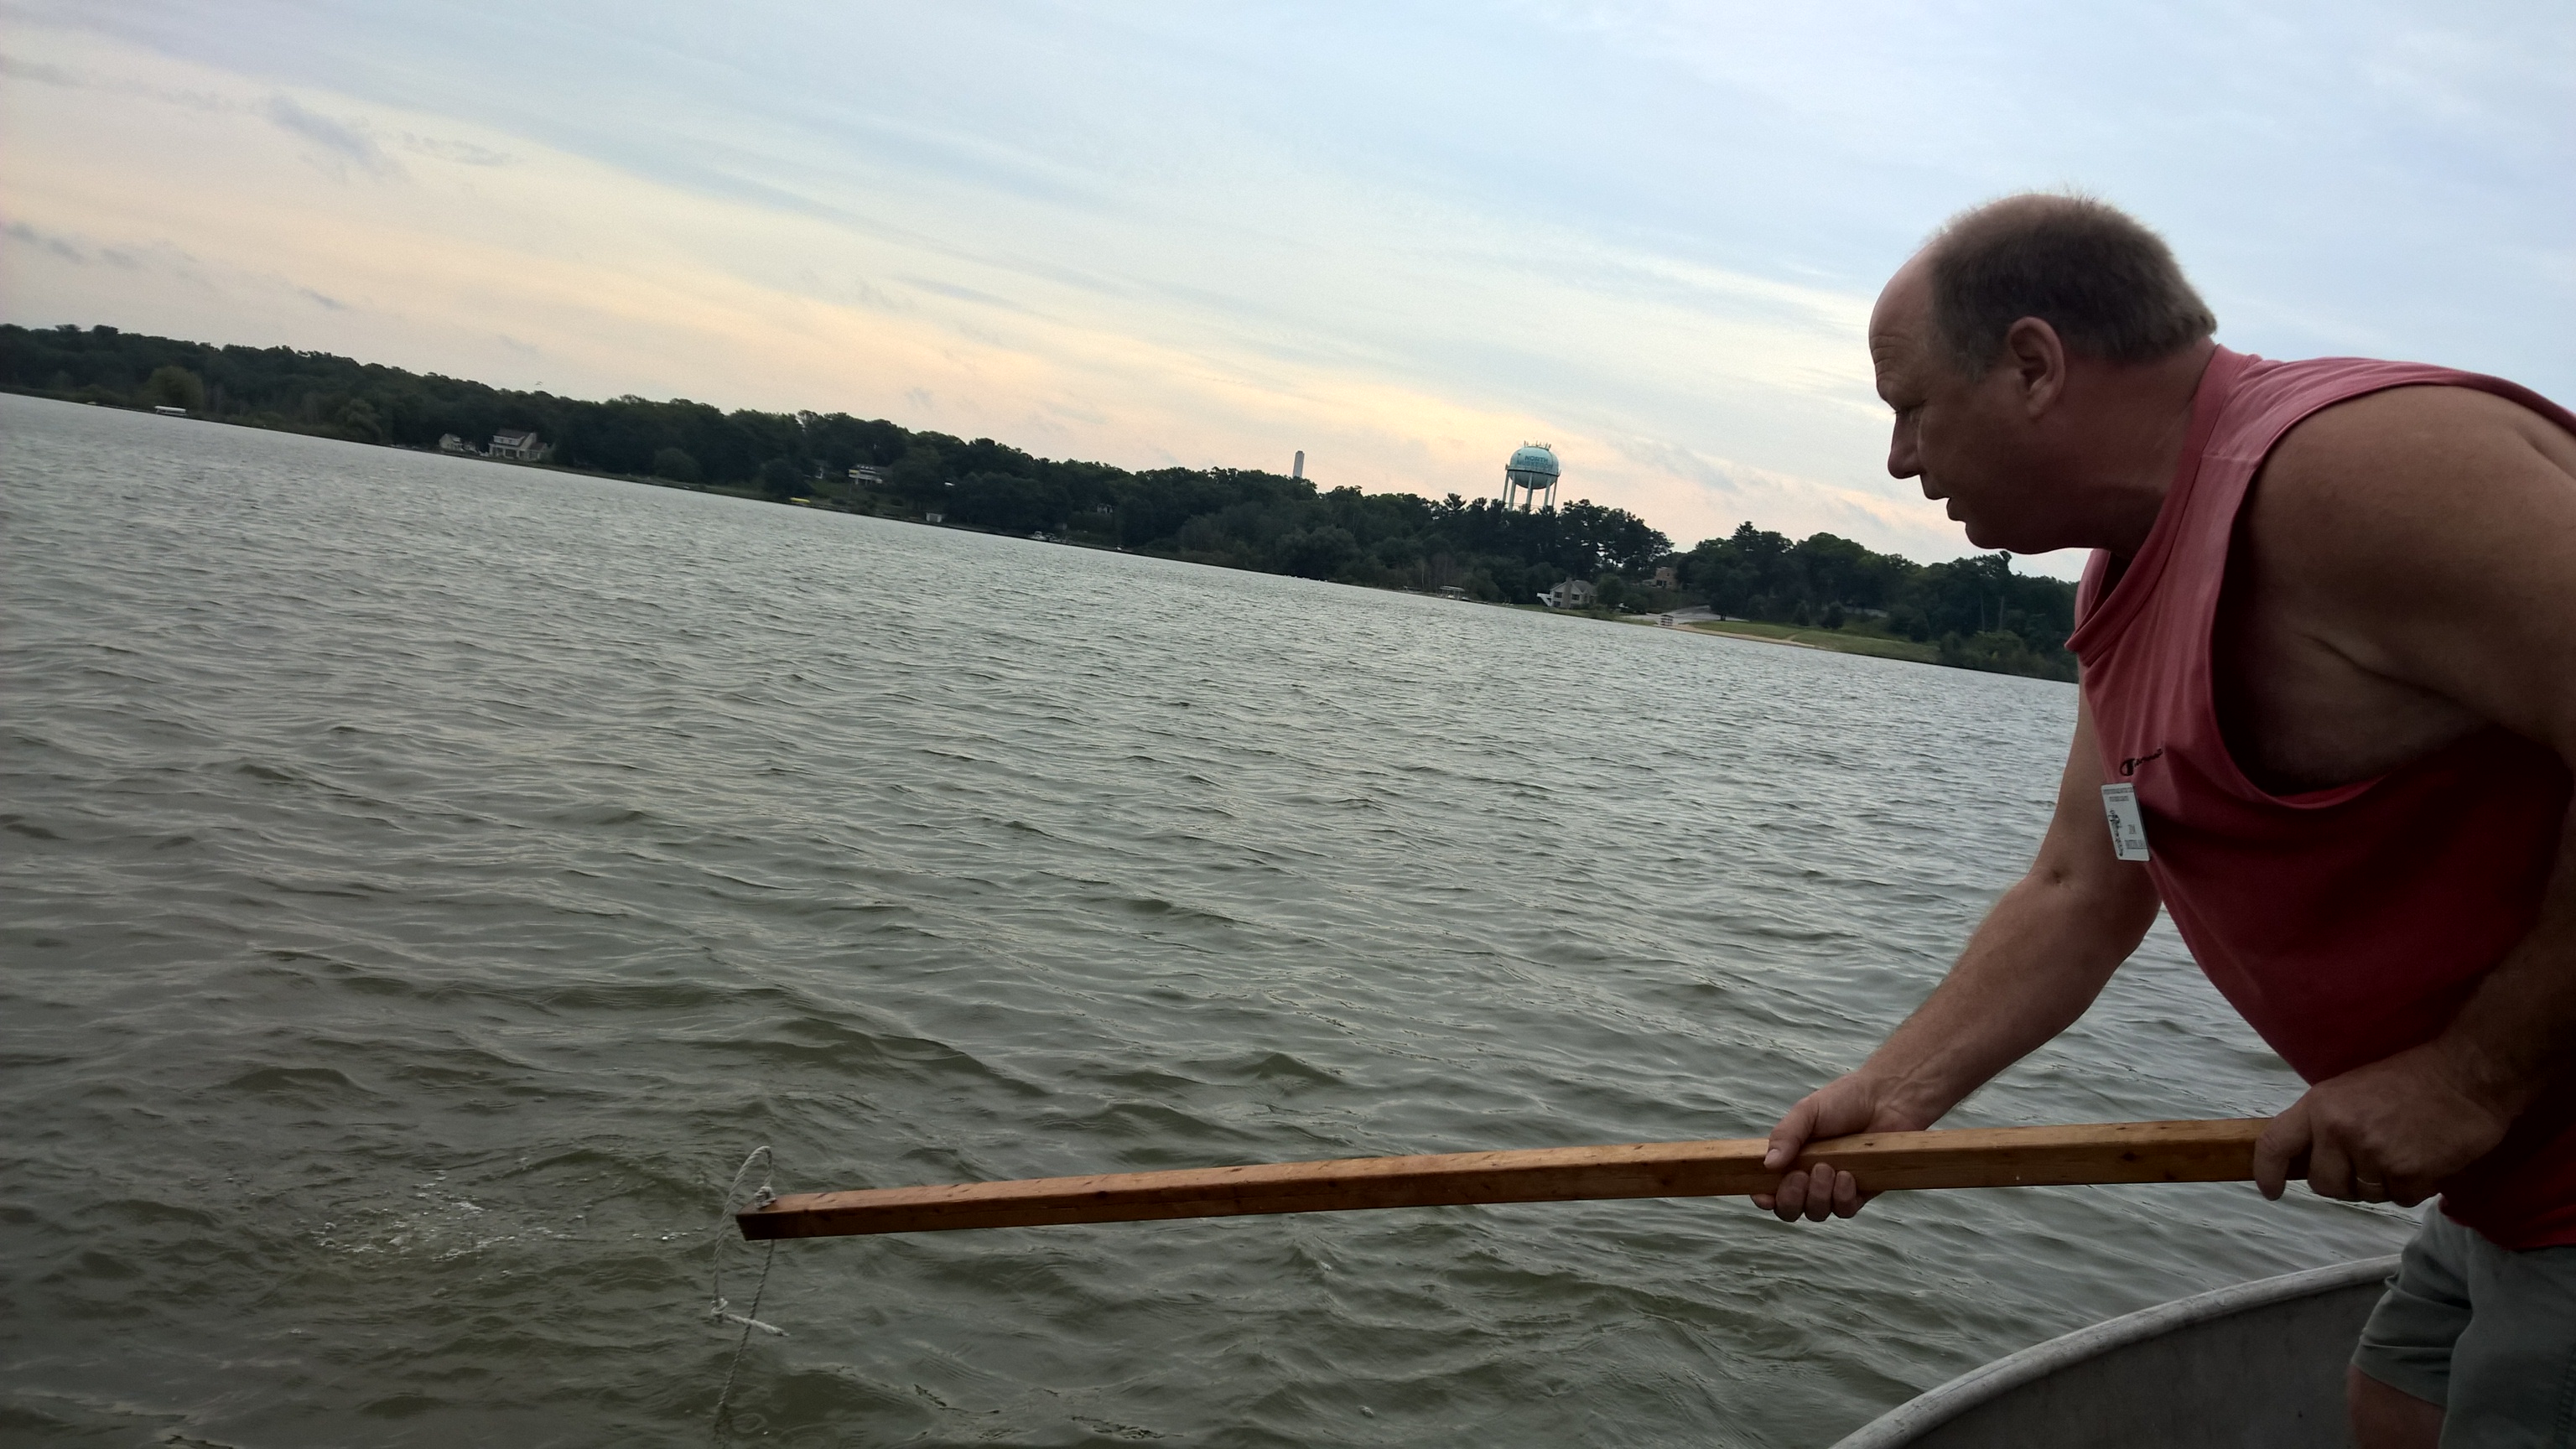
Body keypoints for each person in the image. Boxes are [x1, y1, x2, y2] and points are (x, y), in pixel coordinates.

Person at [1753, 194, 2576, 1447]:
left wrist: (2468, 1078)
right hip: (2505, 1186)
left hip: (2538, 1152)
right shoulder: (2127, 567)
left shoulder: (2352, 474)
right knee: (2397, 1405)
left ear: (2034, 365)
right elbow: (2086, 887)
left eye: (1911, 407)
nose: (1901, 460)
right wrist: (1896, 1093)